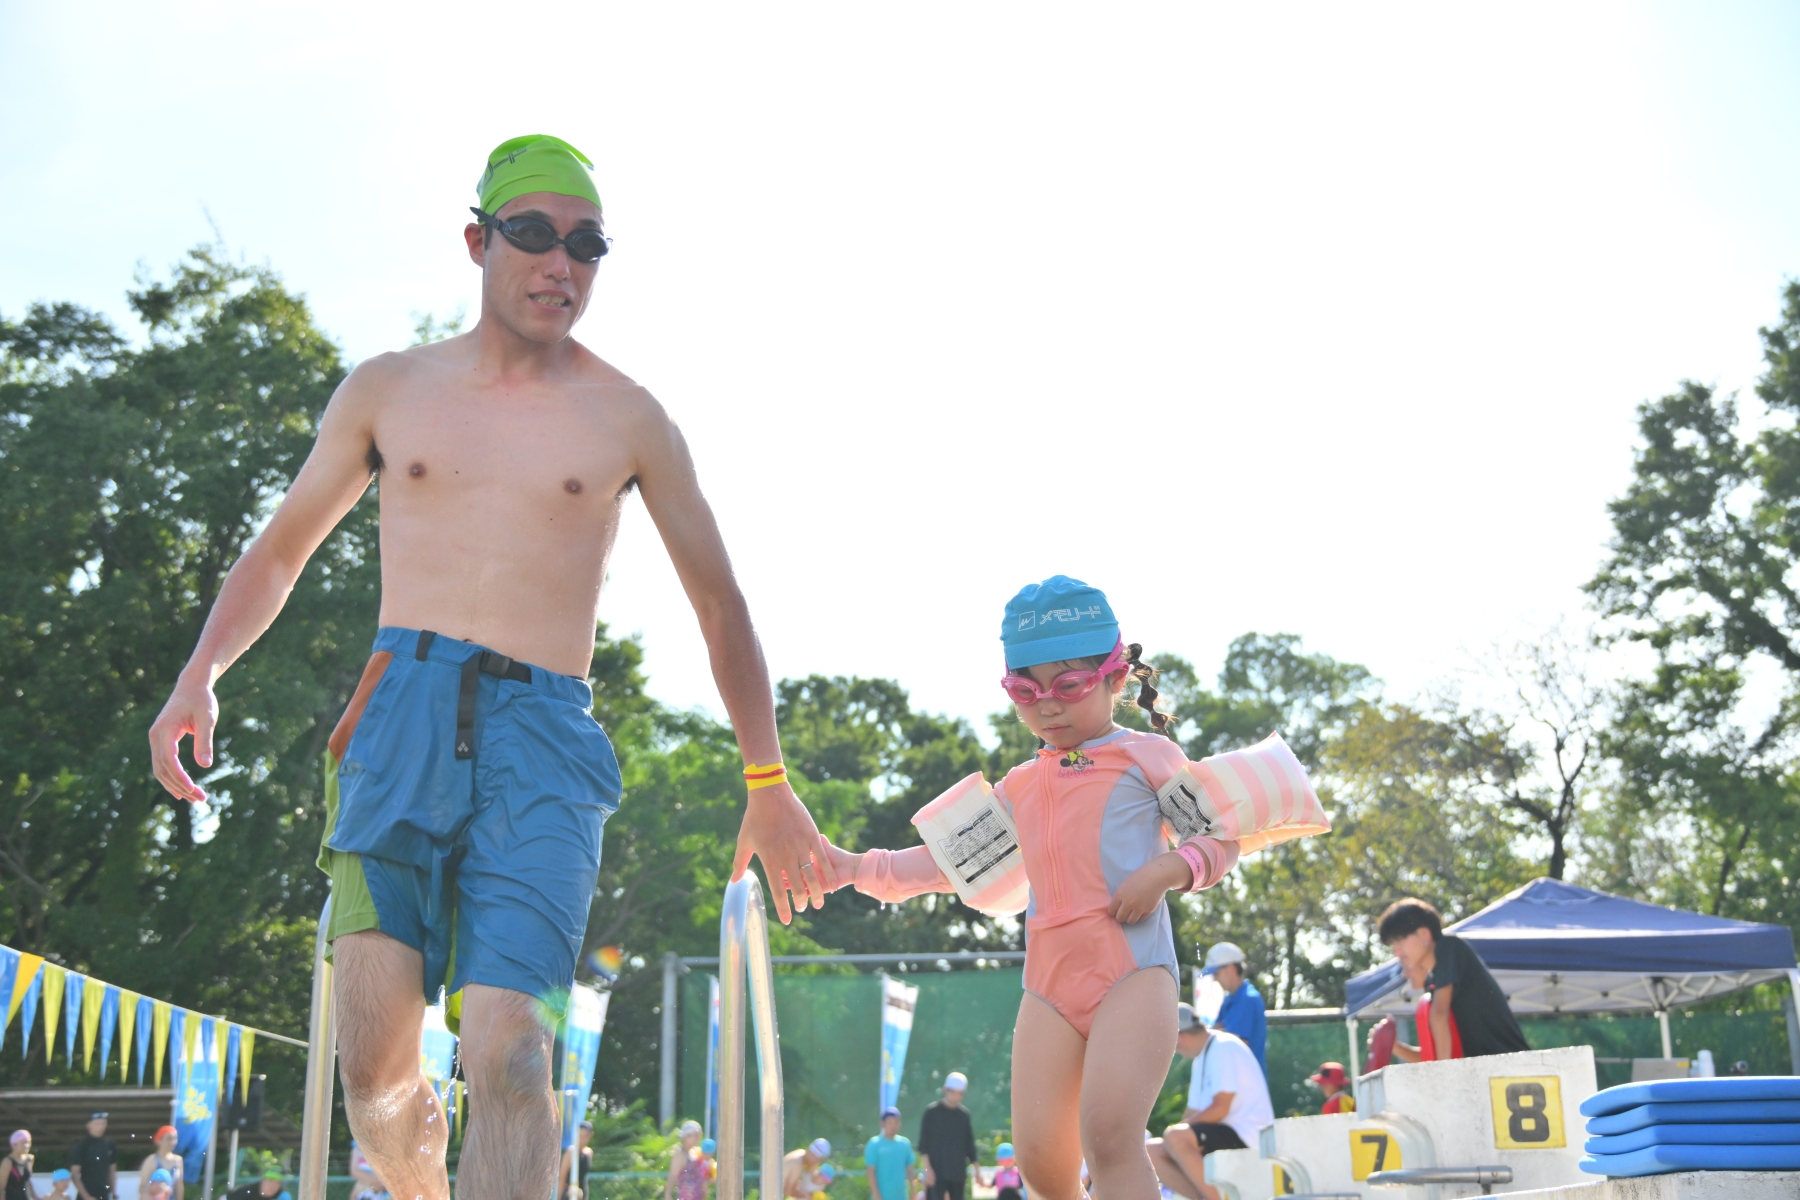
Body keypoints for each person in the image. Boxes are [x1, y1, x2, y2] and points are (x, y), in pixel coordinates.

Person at [145, 133, 837, 1200]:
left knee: (513, 1054)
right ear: (478, 241)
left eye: (587, 245)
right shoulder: (389, 389)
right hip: (398, 719)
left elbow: (720, 603)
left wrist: (768, 776)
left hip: (545, 743)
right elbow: (282, 550)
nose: (562, 264)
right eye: (535, 235)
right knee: (374, 1077)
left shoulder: (630, 417)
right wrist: (202, 671)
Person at [819, 578, 1276, 1200]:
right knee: (1041, 1167)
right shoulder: (1018, 786)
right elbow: (945, 865)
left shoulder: (1147, 756)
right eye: (1025, 690)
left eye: (1068, 685)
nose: (1048, 706)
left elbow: (1222, 838)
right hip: (1049, 988)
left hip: (1133, 975)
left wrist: (1166, 871)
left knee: (1110, 1139)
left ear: (1116, 678)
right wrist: (851, 867)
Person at [1147, 1003, 1273, 1200]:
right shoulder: (1203, 1056)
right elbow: (1192, 1112)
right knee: (1152, 1151)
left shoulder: (1224, 1047)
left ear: (1180, 1036)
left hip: (1250, 1137)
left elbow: (1221, 1108)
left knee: (1176, 1138)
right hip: (1227, 1133)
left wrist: (1176, 1135)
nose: (1174, 1050)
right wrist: (1173, 1137)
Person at [1378, 898, 1528, 1061]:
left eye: (1400, 941)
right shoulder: (1434, 979)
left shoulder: (1450, 947)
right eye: (1393, 945)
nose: (1396, 951)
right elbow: (1433, 1055)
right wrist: (1395, 1047)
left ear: (1424, 934)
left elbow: (1439, 1013)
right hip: (1486, 1067)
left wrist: (1444, 1072)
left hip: (1513, 1062)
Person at [1200, 943, 1266, 1074]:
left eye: (1216, 973)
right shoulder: (1229, 999)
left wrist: (1217, 1033)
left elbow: (1234, 1046)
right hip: (1234, 1079)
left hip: (1247, 1082)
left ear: (1231, 969)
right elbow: (1215, 1035)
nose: (1214, 979)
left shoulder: (1248, 999)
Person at [917, 1073, 976, 1200]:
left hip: (957, 1173)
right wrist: (927, 1170)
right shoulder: (932, 1112)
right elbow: (923, 1145)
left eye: (959, 1093)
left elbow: (970, 1146)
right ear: (945, 1089)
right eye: (952, 1091)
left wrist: (978, 1170)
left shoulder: (963, 1115)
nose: (955, 1096)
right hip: (935, 1173)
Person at [864, 1107, 917, 1200]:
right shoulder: (874, 1144)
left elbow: (910, 1169)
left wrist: (913, 1191)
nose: (893, 1126)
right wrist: (876, 1196)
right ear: (882, 1124)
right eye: (890, 1122)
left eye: (896, 1122)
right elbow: (870, 1172)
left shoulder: (905, 1144)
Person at [68, 1116, 114, 1200]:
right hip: (86, 1194)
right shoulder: (81, 1146)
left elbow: (112, 1171)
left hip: (104, 1194)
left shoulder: (110, 1144)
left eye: (103, 1123)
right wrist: (87, 1197)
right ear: (88, 1125)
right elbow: (74, 1175)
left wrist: (114, 1193)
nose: (100, 1127)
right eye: (97, 1124)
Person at [137, 1128, 183, 1200]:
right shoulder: (151, 1160)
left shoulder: (178, 1160)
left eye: (174, 1138)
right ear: (159, 1141)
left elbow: (179, 1186)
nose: (172, 1142)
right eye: (169, 1139)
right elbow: (142, 1187)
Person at [664, 1122, 706, 1200]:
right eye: (695, 1135)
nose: (697, 1138)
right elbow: (672, 1175)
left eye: (698, 1135)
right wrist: (667, 1194)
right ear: (686, 1136)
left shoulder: (696, 1152)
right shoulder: (680, 1154)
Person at [562, 1119, 594, 1200]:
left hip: (582, 1194)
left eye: (585, 1136)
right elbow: (561, 1177)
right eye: (580, 1136)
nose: (582, 1140)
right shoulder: (571, 1152)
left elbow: (584, 1178)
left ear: (590, 1136)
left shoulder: (589, 1153)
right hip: (569, 1194)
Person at [2, 1132, 37, 1200]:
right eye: (23, 1143)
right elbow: (1, 1187)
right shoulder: (7, 1162)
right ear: (14, 1145)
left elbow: (27, 1181)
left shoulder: (30, 1159)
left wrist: (35, 1197)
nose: (26, 1145)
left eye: (28, 1142)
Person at [223, 1170, 288, 1200]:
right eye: (270, 1183)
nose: (273, 1187)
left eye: (277, 1184)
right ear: (262, 1183)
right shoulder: (245, 1192)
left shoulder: (279, 1193)